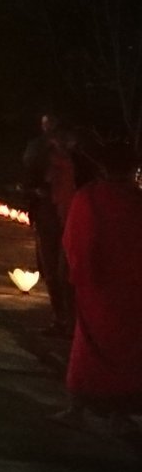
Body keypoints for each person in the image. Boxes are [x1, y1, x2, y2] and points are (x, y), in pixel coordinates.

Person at [57, 142, 142, 434]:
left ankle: (76, 407)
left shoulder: (90, 197)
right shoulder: (137, 200)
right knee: (127, 348)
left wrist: (76, 274)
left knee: (88, 341)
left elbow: (75, 241)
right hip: (131, 287)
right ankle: (120, 410)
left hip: (96, 284)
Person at [23, 113, 75, 333]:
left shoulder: (74, 150)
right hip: (49, 210)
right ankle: (62, 317)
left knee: (65, 268)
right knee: (52, 267)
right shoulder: (38, 149)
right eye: (45, 123)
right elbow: (29, 175)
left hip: (69, 211)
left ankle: (68, 318)